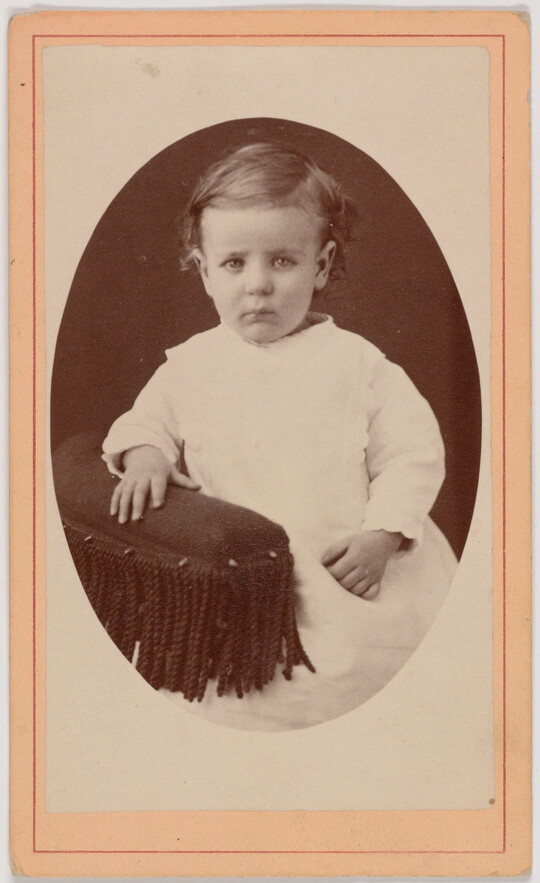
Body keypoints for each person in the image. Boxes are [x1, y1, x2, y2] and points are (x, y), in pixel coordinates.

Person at [102, 142, 457, 730]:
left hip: (349, 569)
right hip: (244, 584)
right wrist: (145, 458)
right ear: (203, 270)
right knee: (247, 703)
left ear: (320, 265)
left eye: (283, 262)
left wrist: (383, 534)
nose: (259, 285)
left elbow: (413, 453)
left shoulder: (357, 363)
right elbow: (145, 423)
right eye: (235, 263)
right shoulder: (191, 364)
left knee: (364, 691)